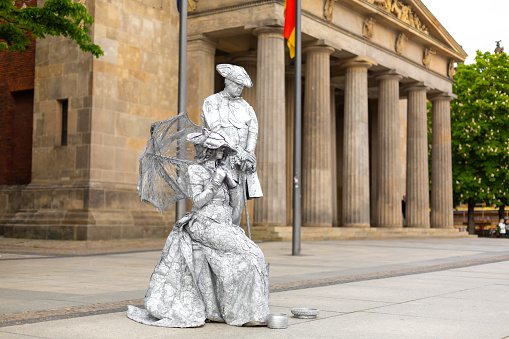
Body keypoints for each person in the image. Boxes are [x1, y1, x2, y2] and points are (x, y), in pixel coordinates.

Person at [127, 129, 269, 327]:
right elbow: (198, 201)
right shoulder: (195, 171)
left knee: (254, 254)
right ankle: (243, 313)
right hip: (203, 223)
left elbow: (236, 206)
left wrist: (232, 184)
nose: (221, 151)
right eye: (217, 148)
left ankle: (243, 310)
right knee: (251, 253)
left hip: (225, 225)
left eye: (223, 148)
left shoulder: (223, 170)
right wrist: (215, 181)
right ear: (206, 149)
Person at [201, 64, 263, 226]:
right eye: (236, 85)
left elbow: (253, 130)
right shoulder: (212, 102)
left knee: (237, 202)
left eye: (241, 86)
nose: (239, 89)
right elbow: (215, 129)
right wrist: (237, 150)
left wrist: (248, 153)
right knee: (220, 199)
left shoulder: (246, 107)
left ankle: (233, 235)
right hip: (220, 160)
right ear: (227, 82)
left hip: (240, 163)